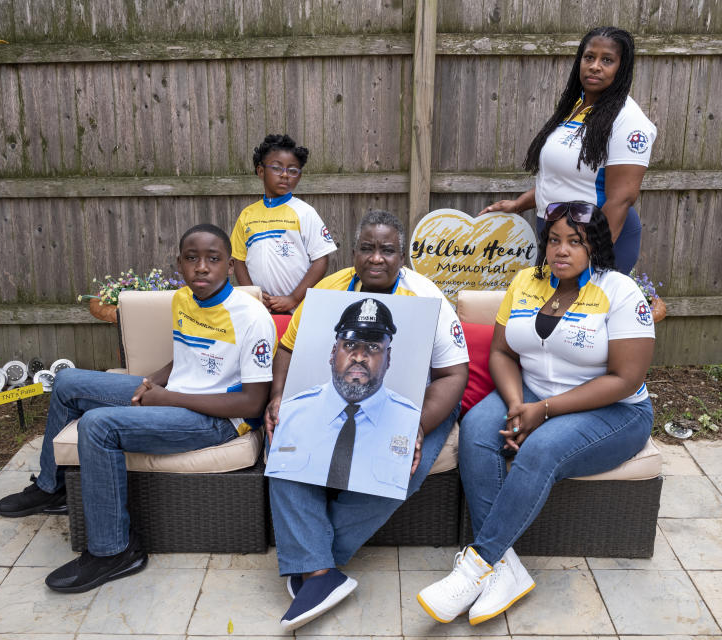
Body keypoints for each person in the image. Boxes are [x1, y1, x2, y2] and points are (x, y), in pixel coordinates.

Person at [0, 223, 276, 593]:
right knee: (67, 382)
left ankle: (115, 551)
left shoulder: (252, 317)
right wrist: (154, 382)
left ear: (230, 265)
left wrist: (168, 397)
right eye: (192, 259)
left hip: (220, 420)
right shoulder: (183, 300)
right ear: (180, 263)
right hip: (176, 395)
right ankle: (53, 488)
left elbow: (253, 402)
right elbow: (188, 359)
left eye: (213, 259)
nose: (202, 267)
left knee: (98, 425)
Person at [417, 201, 655, 625]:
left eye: (575, 242)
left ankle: (475, 567)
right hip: (531, 394)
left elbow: (624, 378)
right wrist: (514, 404)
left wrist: (543, 412)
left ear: (594, 247)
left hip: (614, 411)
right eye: (554, 240)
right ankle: (504, 569)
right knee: (475, 428)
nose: (561, 250)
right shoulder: (527, 281)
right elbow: (502, 352)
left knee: (540, 450)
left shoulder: (620, 292)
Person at [265, 209, 469, 631]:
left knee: (401, 465)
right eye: (367, 248)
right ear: (354, 252)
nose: (377, 258)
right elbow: (287, 347)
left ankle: (313, 563)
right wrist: (279, 394)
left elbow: (453, 375)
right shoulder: (328, 289)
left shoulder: (428, 298)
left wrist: (418, 427)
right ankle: (321, 572)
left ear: (402, 255)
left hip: (421, 400)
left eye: (387, 250)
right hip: (336, 390)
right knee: (282, 443)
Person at [479, 27, 656, 274]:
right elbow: (563, 177)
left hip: (595, 240)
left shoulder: (629, 121)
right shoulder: (576, 107)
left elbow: (621, 198)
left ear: (622, 67)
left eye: (607, 60)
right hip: (559, 236)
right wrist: (519, 204)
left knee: (584, 312)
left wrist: (589, 254)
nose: (595, 66)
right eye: (589, 57)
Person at [265, 297, 422, 496]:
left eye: (373, 347)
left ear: (388, 358)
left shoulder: (409, 422)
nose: (358, 356)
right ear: (332, 353)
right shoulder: (290, 414)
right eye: (349, 345)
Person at [231, 133, 337, 313]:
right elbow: (239, 260)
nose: (285, 175)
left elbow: (321, 259)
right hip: (260, 310)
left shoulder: (305, 213)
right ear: (261, 171)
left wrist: (293, 298)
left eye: (293, 170)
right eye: (277, 168)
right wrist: (253, 296)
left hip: (297, 309)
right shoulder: (247, 215)